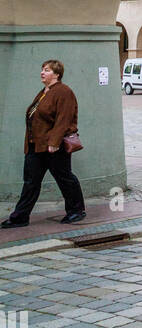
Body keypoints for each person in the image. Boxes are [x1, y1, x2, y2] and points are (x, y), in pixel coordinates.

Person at [1, 60, 86, 227]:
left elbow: (64, 119)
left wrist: (54, 142)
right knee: (31, 182)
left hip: (54, 146)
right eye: (42, 70)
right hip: (36, 144)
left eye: (46, 70)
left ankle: (76, 211)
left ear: (57, 74)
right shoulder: (44, 92)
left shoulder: (63, 91)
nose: (42, 73)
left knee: (65, 178)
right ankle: (20, 217)